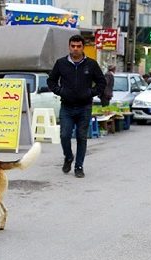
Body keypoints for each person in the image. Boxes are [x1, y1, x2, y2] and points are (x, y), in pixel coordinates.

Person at [47, 34, 106, 178]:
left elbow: (102, 82)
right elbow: (51, 81)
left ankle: (79, 166)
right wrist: (60, 91)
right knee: (64, 135)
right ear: (69, 47)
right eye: (73, 46)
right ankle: (68, 157)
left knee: (81, 137)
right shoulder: (61, 63)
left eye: (78, 46)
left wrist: (90, 92)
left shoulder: (91, 64)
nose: (75, 49)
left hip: (84, 107)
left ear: (83, 47)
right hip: (67, 106)